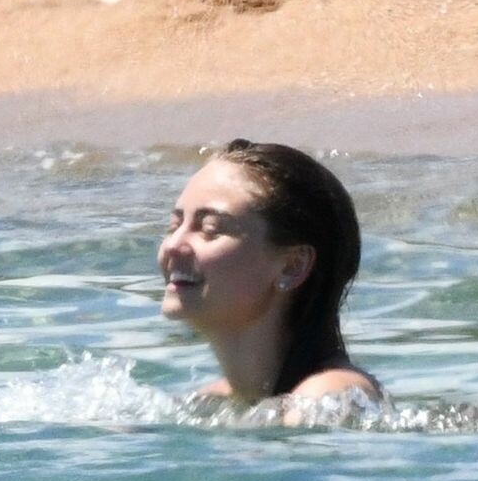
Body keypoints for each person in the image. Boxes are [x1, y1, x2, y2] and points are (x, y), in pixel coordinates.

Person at [159, 139, 382, 407]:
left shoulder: (330, 396)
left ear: (292, 266)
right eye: (174, 226)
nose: (173, 245)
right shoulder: (209, 403)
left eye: (210, 229)